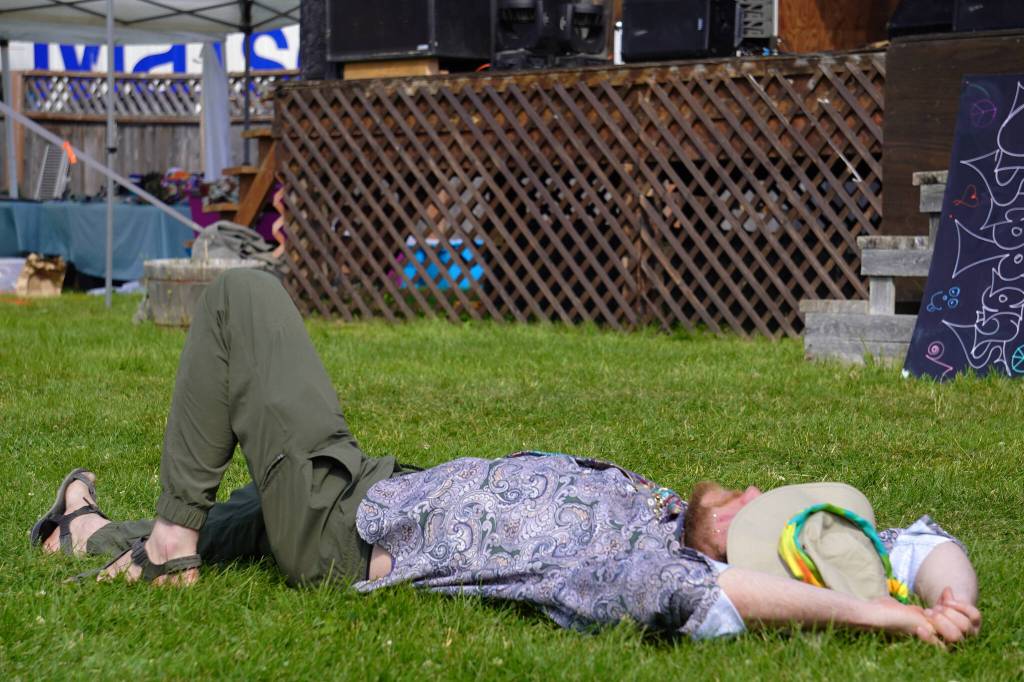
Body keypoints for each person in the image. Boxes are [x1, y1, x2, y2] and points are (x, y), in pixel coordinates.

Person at [30, 270, 981, 645]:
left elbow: (736, 599)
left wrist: (870, 617)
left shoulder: (653, 569)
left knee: (245, 301)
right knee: (214, 514)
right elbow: (914, 541)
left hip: (340, 527)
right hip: (377, 488)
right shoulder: (652, 516)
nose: (755, 490)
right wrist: (945, 596)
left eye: (761, 510)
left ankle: (167, 546)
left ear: (739, 552)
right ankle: (78, 531)